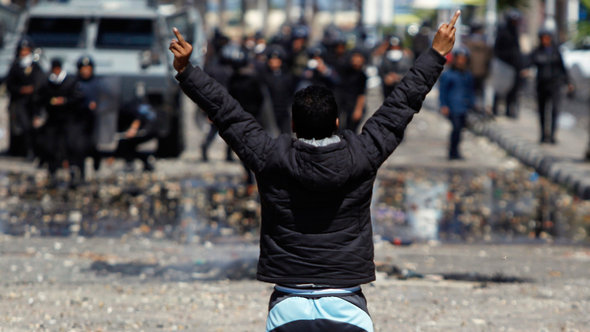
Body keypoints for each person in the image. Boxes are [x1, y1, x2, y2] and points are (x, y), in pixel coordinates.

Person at [169, 9, 459, 331]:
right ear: (337, 122)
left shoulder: (270, 157)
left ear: (293, 124)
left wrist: (187, 71)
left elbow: (228, 113)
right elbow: (400, 106)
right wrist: (435, 54)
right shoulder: (362, 155)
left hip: (286, 307)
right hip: (348, 305)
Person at [36, 58, 84, 187]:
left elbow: (78, 98)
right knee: (51, 146)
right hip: (53, 120)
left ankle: (74, 173)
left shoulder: (70, 81)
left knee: (70, 146)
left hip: (68, 119)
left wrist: (65, 101)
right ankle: (52, 172)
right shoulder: (47, 82)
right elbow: (40, 98)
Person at [526, 29, 573, 144]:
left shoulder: (556, 52)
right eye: (544, 38)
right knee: (542, 111)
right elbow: (528, 63)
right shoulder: (537, 52)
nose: (546, 40)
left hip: (555, 85)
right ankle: (543, 135)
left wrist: (569, 83)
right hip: (542, 85)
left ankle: (552, 136)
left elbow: (563, 68)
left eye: (548, 38)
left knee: (555, 111)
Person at [5, 37, 45, 159]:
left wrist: (33, 89)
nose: (24, 53)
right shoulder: (15, 66)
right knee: (21, 127)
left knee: (32, 127)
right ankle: (20, 150)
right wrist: (20, 90)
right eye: (22, 50)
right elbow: (9, 84)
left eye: (26, 50)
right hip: (19, 102)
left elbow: (40, 83)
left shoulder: (35, 66)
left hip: (33, 102)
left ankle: (32, 150)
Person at [439, 47, 475, 160]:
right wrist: (443, 105)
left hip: (463, 107)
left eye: (463, 59)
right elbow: (442, 92)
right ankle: (452, 151)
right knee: (456, 128)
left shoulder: (468, 75)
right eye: (459, 59)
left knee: (460, 130)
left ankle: (456, 151)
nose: (461, 62)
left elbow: (470, 91)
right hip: (453, 107)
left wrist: (473, 104)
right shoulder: (448, 75)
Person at [259, 45, 297, 135]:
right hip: (270, 111)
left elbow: (291, 92)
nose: (274, 62)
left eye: (277, 60)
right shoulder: (263, 76)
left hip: (284, 111)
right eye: (272, 60)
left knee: (287, 137)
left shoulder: (287, 75)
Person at [492, 9, 523, 118]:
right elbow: (497, 48)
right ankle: (495, 108)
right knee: (500, 87)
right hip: (503, 65)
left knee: (512, 89)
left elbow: (517, 48)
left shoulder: (515, 32)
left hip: (513, 65)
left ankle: (509, 109)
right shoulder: (503, 31)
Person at [76, 55, 103, 173]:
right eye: (83, 68)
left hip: (94, 118)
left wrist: (97, 104)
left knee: (93, 143)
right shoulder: (76, 83)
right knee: (80, 145)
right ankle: (81, 171)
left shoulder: (97, 83)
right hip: (79, 118)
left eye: (88, 68)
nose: (86, 71)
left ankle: (97, 160)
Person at [334, 48, 368, 132]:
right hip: (339, 100)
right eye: (355, 58)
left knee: (352, 126)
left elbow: (362, 93)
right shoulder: (344, 70)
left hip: (352, 102)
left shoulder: (362, 76)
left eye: (359, 58)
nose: (357, 61)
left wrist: (358, 109)